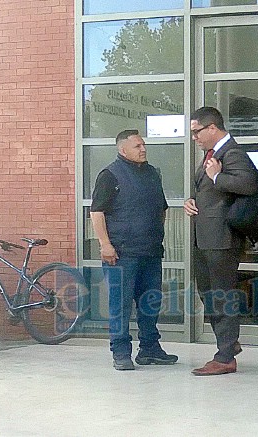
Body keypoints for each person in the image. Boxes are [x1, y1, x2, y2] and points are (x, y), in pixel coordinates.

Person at [90, 129, 178, 371]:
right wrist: (105, 245)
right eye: (137, 146)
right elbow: (97, 212)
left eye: (143, 145)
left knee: (150, 303)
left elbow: (162, 208)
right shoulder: (110, 175)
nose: (143, 149)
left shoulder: (151, 173)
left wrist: (156, 234)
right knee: (120, 305)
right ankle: (120, 351)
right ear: (123, 150)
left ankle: (150, 349)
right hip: (121, 254)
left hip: (150, 251)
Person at [184, 107, 258, 376]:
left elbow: (249, 184)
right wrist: (192, 201)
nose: (194, 137)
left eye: (196, 132)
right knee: (209, 293)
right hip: (205, 236)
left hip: (221, 238)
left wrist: (217, 176)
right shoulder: (213, 154)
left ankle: (225, 356)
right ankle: (228, 343)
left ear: (212, 128)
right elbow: (209, 191)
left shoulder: (232, 153)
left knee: (221, 295)